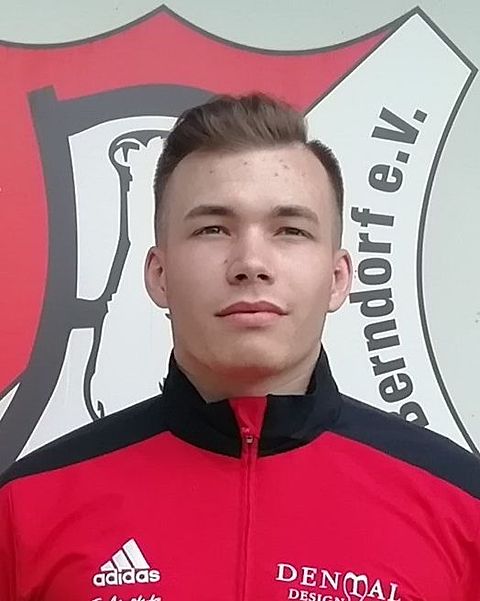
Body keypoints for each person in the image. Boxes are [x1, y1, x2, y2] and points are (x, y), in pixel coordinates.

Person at [0, 93, 479, 601]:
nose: (251, 263)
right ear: (159, 274)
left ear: (338, 278)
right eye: (212, 229)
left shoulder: (462, 506)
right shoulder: (26, 509)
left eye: (290, 230)